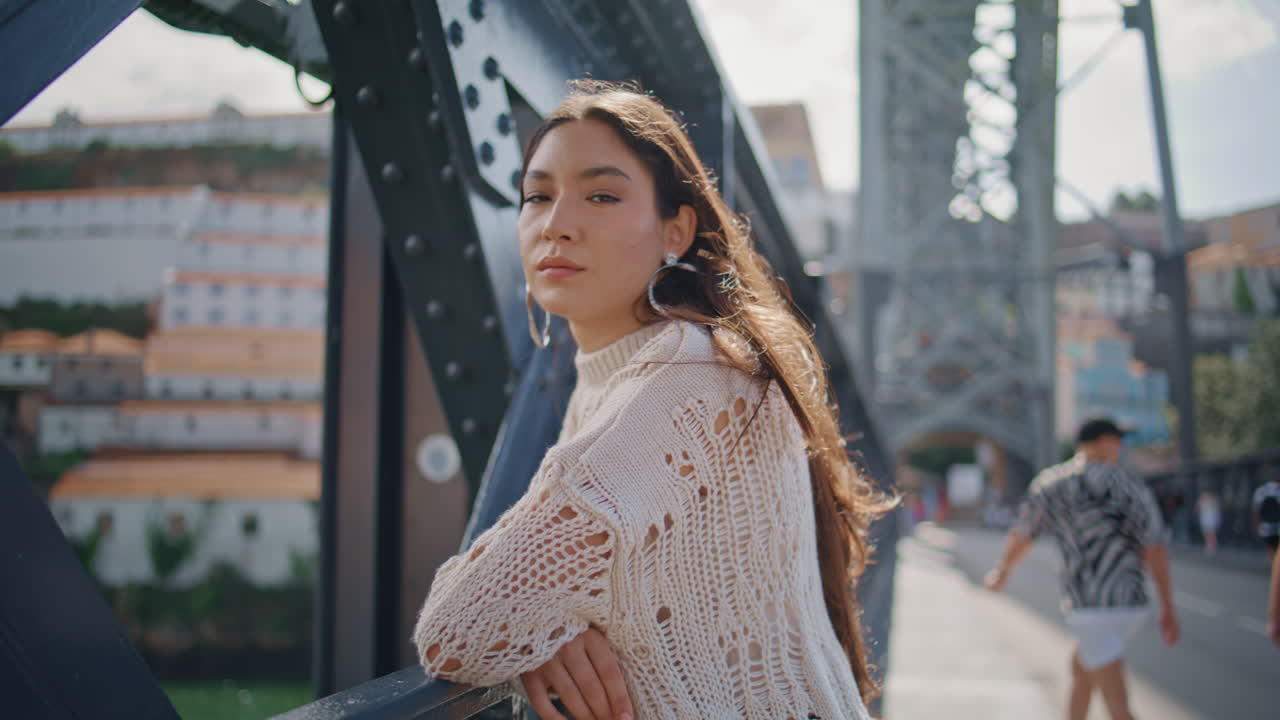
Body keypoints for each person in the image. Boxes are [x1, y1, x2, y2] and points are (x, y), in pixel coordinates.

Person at [411, 80, 892, 720]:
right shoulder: (627, 377)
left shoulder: (690, 375)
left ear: (676, 231)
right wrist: (546, 631)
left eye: (601, 196)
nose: (557, 224)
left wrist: (532, 624)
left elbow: (456, 629)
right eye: (537, 197)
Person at [984, 418, 1179, 720]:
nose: (1120, 448)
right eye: (1117, 440)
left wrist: (1002, 570)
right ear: (1103, 442)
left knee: (1118, 707)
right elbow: (1154, 546)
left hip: (1090, 604)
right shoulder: (1130, 485)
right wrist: (1167, 605)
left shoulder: (1053, 484)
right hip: (1128, 602)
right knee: (1081, 671)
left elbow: (1024, 534)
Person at [1252, 474, 1280, 562]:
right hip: (1277, 525)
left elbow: (1256, 510)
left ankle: (1274, 567)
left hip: (1266, 526)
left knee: (1271, 548)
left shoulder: (1262, 491)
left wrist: (1255, 526)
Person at [1195, 487, 1221, 556]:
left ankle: (1212, 547)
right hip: (1206, 518)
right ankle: (1209, 546)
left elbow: (1217, 510)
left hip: (1211, 519)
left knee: (1211, 533)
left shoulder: (1214, 500)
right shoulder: (1204, 499)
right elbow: (1198, 507)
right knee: (1207, 533)